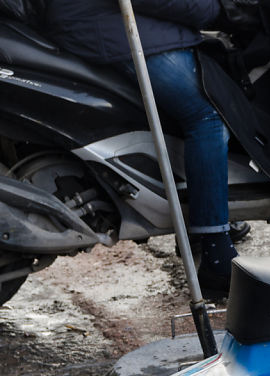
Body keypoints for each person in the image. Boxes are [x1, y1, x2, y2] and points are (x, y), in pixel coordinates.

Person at [42, 0, 241, 299]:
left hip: (85, 17)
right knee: (208, 115)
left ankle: (202, 224)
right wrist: (222, 11)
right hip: (99, 23)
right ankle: (214, 251)